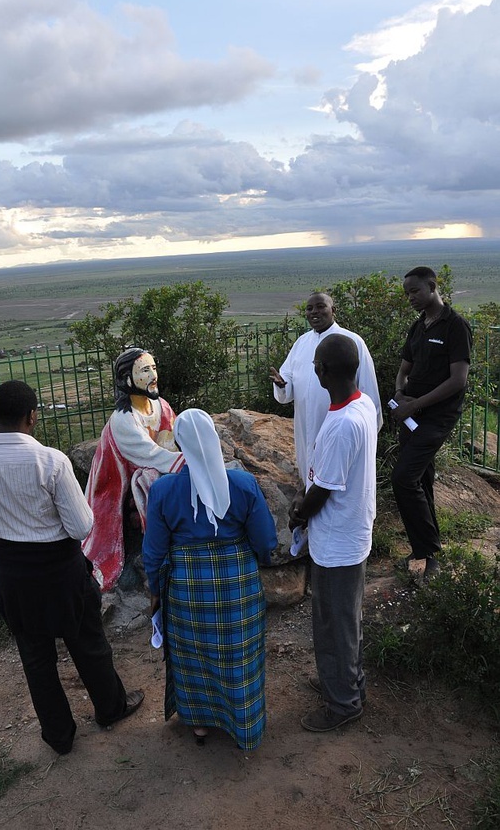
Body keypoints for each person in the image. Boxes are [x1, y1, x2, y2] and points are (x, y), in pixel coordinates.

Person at [0, 380, 144, 756]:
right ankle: (110, 708)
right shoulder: (52, 461)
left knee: (36, 658)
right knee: (88, 643)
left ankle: (59, 736)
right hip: (61, 572)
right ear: (32, 416)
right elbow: (81, 527)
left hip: (12, 575)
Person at [142, 408, 277, 750]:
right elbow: (265, 541)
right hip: (237, 583)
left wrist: (156, 593)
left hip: (186, 587)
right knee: (239, 654)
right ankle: (243, 722)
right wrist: (257, 561)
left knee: (193, 655)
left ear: (180, 446)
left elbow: (154, 553)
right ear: (216, 441)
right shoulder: (243, 484)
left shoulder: (163, 490)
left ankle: (200, 725)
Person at [289, 334, 377, 733]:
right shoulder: (362, 405)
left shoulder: (342, 424)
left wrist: (297, 513)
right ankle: (345, 681)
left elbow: (321, 491)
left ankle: (342, 704)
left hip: (336, 542)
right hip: (353, 531)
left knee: (332, 624)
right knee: (346, 618)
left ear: (322, 371)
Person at [390, 266, 472, 578]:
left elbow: (458, 381)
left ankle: (430, 553)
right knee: (421, 481)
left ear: (432, 286)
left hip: (436, 418)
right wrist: (400, 394)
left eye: (415, 291)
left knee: (404, 479)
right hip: (411, 415)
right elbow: (404, 369)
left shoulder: (455, 326)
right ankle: (424, 551)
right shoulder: (419, 326)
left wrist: (415, 405)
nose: (410, 297)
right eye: (407, 292)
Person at [83, 347, 185, 591]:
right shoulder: (123, 419)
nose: (153, 375)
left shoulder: (161, 406)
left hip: (154, 468)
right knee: (149, 479)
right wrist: (190, 463)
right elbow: (149, 455)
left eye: (154, 368)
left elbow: (168, 444)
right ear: (127, 379)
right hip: (116, 485)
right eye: (145, 370)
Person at [270, 292, 382, 485]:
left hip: (342, 427)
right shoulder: (301, 343)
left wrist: (367, 433)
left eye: (320, 306)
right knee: (310, 477)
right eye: (309, 308)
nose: (315, 312)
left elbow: (369, 393)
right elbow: (286, 383)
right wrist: (282, 385)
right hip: (306, 426)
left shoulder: (352, 341)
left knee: (340, 482)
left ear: (333, 310)